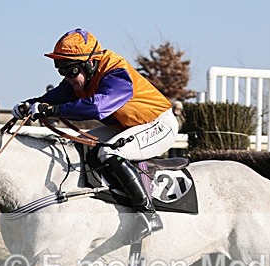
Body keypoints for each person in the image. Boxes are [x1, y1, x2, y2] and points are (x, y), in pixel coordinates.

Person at [12, 28, 178, 244]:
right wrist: (30, 104)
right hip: (125, 124)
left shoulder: (117, 73)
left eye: (70, 71)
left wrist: (51, 111)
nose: (67, 78)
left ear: (90, 63)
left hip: (157, 124)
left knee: (108, 152)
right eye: (61, 71)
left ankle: (147, 215)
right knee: (76, 147)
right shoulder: (82, 75)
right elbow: (53, 98)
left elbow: (99, 108)